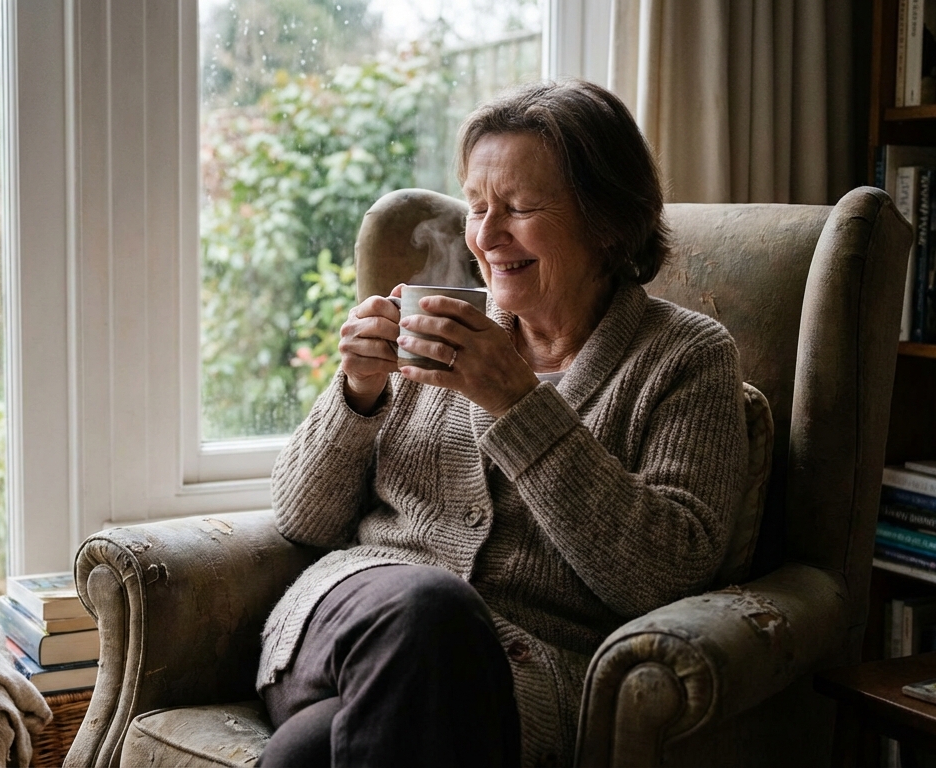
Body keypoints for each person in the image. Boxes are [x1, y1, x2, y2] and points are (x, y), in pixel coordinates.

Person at [256, 79, 748, 768]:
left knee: (309, 752)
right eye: (478, 206)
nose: (486, 236)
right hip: (350, 621)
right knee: (428, 607)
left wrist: (520, 406)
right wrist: (359, 392)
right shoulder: (438, 328)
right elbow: (301, 517)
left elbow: (664, 576)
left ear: (606, 219)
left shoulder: (685, 358)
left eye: (518, 208)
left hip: (516, 678)